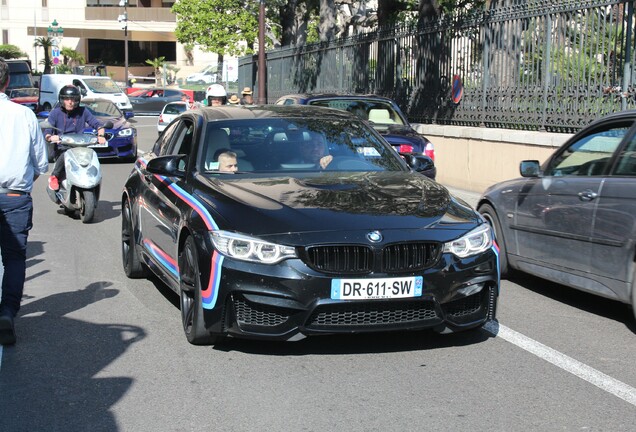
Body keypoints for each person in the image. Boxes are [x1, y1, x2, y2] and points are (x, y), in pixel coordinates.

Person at [0, 57, 49, 345]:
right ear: (7, 82)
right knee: (15, 257)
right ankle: (7, 312)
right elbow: (41, 162)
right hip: (15, 197)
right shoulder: (25, 115)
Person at [44, 85, 106, 190]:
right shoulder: (55, 113)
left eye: (72, 99)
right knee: (64, 154)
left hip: (80, 147)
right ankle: (54, 176)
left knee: (92, 156)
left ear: (77, 100)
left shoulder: (83, 111)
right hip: (62, 147)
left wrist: (100, 135)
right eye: (67, 99)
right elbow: (47, 131)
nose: (70, 102)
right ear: (62, 99)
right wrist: (50, 137)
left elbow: (97, 124)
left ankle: (94, 178)